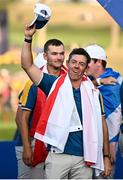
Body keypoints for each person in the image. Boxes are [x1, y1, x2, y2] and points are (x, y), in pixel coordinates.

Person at [21, 25, 111, 179]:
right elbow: (27, 66)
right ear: (68, 63)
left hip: (84, 158)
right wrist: (28, 38)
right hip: (57, 156)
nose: (76, 66)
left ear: (86, 67)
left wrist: (106, 157)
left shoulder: (93, 92)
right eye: (74, 62)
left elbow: (102, 125)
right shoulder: (54, 84)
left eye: (81, 64)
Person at [15, 39, 67, 179]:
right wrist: (27, 147)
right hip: (33, 142)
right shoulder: (32, 84)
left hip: (56, 143)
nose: (59, 57)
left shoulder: (67, 80)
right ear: (45, 57)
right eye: (54, 54)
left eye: (61, 53)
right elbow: (20, 118)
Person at [86, 44, 122, 178]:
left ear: (99, 62)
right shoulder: (91, 80)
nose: (85, 64)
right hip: (90, 142)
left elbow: (114, 116)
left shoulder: (113, 83)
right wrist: (99, 81)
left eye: (88, 60)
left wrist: (111, 142)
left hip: (105, 145)